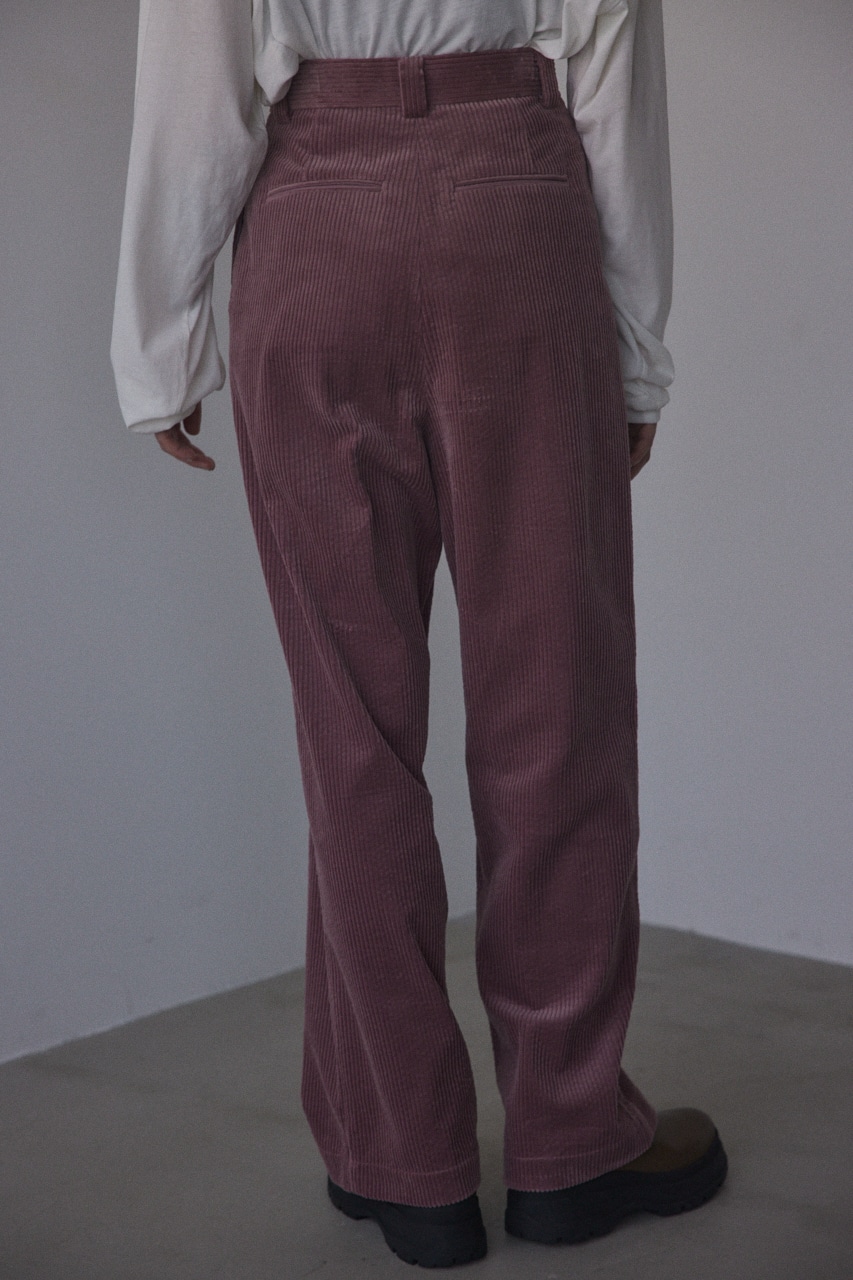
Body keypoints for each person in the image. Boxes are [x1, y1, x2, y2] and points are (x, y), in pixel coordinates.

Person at [111, 0, 728, 1269]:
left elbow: (196, 72)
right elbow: (612, 66)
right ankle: (571, 1144)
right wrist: (636, 353)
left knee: (354, 737)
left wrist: (158, 342)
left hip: (316, 223)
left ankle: (403, 1164)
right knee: (555, 710)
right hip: (514, 209)